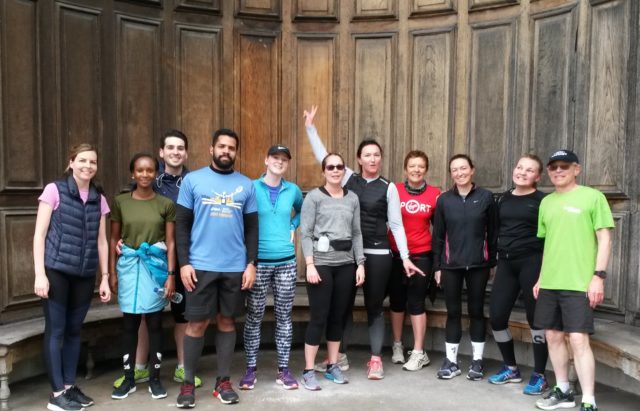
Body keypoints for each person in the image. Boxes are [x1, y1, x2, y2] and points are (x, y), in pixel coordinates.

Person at [303, 105, 421, 380]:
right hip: (345, 257)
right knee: (341, 307)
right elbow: (325, 157)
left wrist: (403, 256)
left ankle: (376, 359)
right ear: (357, 159)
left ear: (380, 159)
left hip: (377, 253)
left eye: (376, 155)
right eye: (367, 154)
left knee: (374, 306)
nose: (372, 158)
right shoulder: (347, 178)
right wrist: (311, 129)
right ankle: (339, 357)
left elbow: (396, 224)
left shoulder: (389, 187)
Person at [112, 130, 203, 389]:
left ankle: (183, 368)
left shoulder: (195, 181)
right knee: (142, 313)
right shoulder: (149, 179)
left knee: (182, 314)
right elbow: (132, 216)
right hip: (151, 263)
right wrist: (123, 240)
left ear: (186, 153)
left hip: (187, 258)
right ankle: (140, 368)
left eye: (180, 148)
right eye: (170, 147)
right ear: (161, 153)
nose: (176, 152)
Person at [175, 128, 258, 408]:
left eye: (231, 148)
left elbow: (252, 229)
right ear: (211, 149)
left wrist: (250, 264)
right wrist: (184, 263)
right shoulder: (192, 180)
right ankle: (187, 384)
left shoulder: (247, 185)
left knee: (226, 321)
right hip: (200, 266)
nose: (226, 151)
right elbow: (182, 226)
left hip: (235, 267)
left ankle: (223, 381)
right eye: (221, 146)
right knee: (196, 323)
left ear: (236, 152)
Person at [533, 150, 613, 411]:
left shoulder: (593, 197)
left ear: (576, 169)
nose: (558, 171)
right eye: (553, 167)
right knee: (553, 336)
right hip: (551, 282)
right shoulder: (546, 203)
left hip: (579, 283)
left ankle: (588, 399)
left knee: (578, 340)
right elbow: (549, 245)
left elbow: (604, 238)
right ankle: (563, 390)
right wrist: (541, 278)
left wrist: (598, 277)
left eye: (564, 166)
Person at [33, 143, 111, 411]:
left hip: (84, 274)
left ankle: (68, 386)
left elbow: (102, 242)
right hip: (56, 271)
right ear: (71, 162)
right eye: (82, 160)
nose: (88, 166)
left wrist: (104, 277)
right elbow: (39, 235)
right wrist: (40, 274)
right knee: (56, 331)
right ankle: (56, 395)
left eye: (92, 162)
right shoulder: (54, 190)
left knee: (74, 331)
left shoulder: (98, 198)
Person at [109, 153, 176, 400]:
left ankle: (156, 379)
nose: (145, 174)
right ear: (133, 174)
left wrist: (171, 275)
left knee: (155, 324)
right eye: (140, 170)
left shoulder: (165, 204)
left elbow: (170, 241)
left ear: (156, 173)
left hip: (155, 269)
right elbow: (113, 238)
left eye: (150, 170)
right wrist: (111, 273)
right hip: (128, 267)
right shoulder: (120, 202)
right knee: (130, 325)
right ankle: (129, 379)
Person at [299, 153, 366, 391]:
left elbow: (356, 233)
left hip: (346, 264)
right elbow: (305, 233)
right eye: (331, 167)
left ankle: (332, 365)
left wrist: (360, 263)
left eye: (339, 167)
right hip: (321, 265)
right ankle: (308, 370)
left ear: (344, 170)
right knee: (319, 316)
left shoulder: (353, 199)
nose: (335, 170)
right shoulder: (314, 198)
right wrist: (310, 264)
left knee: (338, 317)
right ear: (323, 170)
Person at [239, 145, 303, 390]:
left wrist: (293, 224)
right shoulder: (251, 188)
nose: (279, 162)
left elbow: (303, 209)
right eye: (275, 157)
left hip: (286, 262)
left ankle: (283, 370)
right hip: (258, 263)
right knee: (254, 316)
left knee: (284, 317)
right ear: (266, 160)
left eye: (284, 159)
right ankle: (250, 370)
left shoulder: (293, 189)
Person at [432, 154, 498, 381]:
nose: (459, 173)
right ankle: (451, 361)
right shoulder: (444, 200)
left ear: (472, 170)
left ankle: (477, 361)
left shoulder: (487, 197)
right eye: (454, 170)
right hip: (451, 266)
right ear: (451, 174)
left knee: (477, 312)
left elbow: (494, 233)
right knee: (453, 312)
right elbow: (438, 236)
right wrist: (437, 266)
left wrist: (491, 262)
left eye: (463, 168)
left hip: (478, 265)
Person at [487, 154, 549, 394]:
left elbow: (549, 239)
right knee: (497, 318)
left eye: (529, 170)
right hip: (506, 263)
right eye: (519, 167)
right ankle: (511, 367)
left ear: (538, 176)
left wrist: (544, 273)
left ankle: (540, 374)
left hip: (532, 263)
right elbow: (495, 231)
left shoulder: (543, 200)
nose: (522, 172)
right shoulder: (502, 199)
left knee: (537, 320)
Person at [387, 151, 440, 371]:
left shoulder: (435, 194)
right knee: (397, 301)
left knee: (416, 301)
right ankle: (397, 346)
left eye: (420, 166)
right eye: (412, 166)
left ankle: (419, 352)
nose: (416, 170)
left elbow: (440, 230)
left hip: (422, 254)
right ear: (405, 168)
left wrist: (439, 263)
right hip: (395, 254)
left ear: (426, 169)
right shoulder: (394, 190)